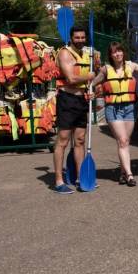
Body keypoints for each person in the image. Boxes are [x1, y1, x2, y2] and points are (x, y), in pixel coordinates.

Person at [52, 25, 95, 194]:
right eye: (77, 37)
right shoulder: (64, 53)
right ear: (71, 38)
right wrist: (89, 76)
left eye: (82, 37)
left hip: (81, 100)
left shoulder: (86, 54)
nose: (80, 40)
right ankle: (58, 181)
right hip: (67, 100)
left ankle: (79, 177)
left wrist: (91, 91)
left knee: (80, 140)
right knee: (63, 140)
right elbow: (70, 78)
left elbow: (89, 81)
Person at [92, 42, 138, 187]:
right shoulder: (106, 69)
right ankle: (130, 175)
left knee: (124, 142)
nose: (118, 54)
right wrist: (90, 90)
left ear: (123, 52)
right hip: (113, 108)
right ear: (111, 55)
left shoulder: (131, 66)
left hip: (129, 107)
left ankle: (122, 173)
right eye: (114, 52)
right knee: (123, 140)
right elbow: (92, 82)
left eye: (120, 51)